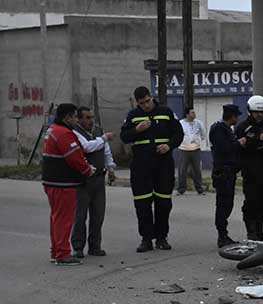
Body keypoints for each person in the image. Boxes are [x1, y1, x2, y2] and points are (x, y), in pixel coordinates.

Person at [120, 86, 183, 253]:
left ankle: (162, 238)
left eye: (147, 101)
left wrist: (169, 146)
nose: (146, 105)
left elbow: (179, 134)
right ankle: (146, 239)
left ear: (151, 97)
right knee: (142, 203)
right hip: (141, 165)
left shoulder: (166, 112)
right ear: (137, 102)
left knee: (163, 202)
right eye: (142, 103)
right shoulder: (133, 115)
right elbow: (124, 137)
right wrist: (136, 130)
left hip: (163, 164)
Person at [41, 103, 96, 266]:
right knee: (64, 219)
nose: (75, 120)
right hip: (62, 182)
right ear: (67, 117)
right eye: (73, 117)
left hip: (52, 181)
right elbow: (74, 158)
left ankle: (56, 251)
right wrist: (88, 170)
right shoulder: (63, 133)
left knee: (56, 218)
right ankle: (63, 255)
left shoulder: (52, 130)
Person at [70, 106, 116, 258]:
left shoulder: (98, 130)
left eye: (92, 118)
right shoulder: (75, 132)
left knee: (98, 214)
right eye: (87, 118)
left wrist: (110, 167)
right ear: (79, 119)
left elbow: (106, 149)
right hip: (83, 180)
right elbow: (86, 147)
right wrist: (103, 139)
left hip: (98, 179)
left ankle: (95, 246)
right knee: (80, 215)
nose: (91, 121)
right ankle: (77, 247)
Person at [235, 95, 263, 241]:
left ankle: (260, 231)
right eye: (256, 112)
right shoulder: (242, 127)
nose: (260, 115)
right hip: (251, 171)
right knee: (251, 202)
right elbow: (238, 146)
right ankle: (251, 232)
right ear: (250, 111)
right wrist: (255, 139)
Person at [210, 104, 245, 247]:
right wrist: (238, 143)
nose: (238, 119)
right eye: (237, 116)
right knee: (223, 205)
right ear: (232, 116)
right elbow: (224, 148)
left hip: (229, 172)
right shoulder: (219, 129)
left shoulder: (226, 129)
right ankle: (222, 235)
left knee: (227, 204)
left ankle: (224, 234)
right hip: (223, 172)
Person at [177, 106, 207, 195]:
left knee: (197, 170)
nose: (194, 114)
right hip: (183, 149)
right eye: (192, 112)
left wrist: (197, 141)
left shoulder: (198, 123)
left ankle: (199, 189)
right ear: (187, 114)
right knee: (182, 170)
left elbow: (203, 134)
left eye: (194, 112)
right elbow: (177, 135)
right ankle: (181, 189)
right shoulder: (181, 123)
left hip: (196, 149)